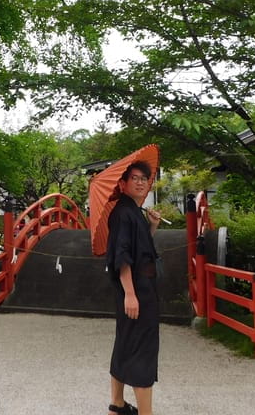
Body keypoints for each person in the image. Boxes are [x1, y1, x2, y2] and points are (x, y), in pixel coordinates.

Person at [105, 160, 162, 415]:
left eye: (144, 179)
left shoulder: (132, 211)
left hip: (137, 288)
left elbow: (140, 249)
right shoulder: (124, 213)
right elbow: (123, 256)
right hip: (137, 289)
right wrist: (130, 294)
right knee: (143, 350)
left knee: (126, 342)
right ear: (123, 183)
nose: (140, 183)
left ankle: (117, 404)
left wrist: (152, 226)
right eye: (135, 178)